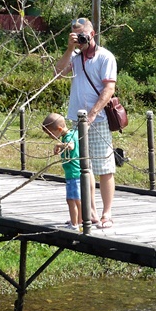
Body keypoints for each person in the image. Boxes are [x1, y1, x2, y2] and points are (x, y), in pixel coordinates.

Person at [54, 17, 117, 228]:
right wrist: (69, 48)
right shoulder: (74, 56)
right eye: (76, 35)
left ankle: (107, 214)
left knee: (105, 168)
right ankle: (91, 213)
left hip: (98, 120)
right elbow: (57, 74)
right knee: (84, 167)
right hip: (76, 120)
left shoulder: (105, 57)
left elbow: (109, 88)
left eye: (82, 35)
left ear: (92, 34)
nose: (80, 39)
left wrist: (92, 115)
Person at [42, 112, 94, 229]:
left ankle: (75, 224)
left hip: (73, 174)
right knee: (78, 200)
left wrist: (59, 145)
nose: (50, 136)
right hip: (77, 173)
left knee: (71, 200)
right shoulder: (74, 133)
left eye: (50, 133)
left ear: (59, 129)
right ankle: (80, 221)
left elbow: (71, 146)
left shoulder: (68, 137)